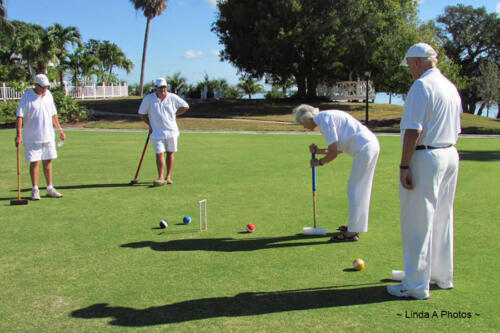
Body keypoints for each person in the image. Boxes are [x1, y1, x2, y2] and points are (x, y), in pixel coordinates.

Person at [387, 43, 461, 300]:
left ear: (417, 62)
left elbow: (413, 130)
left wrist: (404, 165)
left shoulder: (421, 86)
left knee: (417, 221)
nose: (409, 71)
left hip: (426, 156)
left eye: (409, 65)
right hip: (450, 153)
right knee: (442, 217)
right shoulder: (450, 87)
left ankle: (416, 284)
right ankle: (439, 275)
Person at [293, 104, 380, 242]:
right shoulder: (324, 119)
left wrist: (319, 162)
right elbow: (338, 149)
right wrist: (319, 151)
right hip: (369, 145)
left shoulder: (325, 120)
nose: (303, 127)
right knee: (359, 188)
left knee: (355, 189)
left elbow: (333, 153)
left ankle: (352, 232)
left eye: (302, 123)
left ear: (308, 118)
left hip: (365, 148)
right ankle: (354, 226)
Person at [15, 74, 66, 200]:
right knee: (35, 162)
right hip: (32, 137)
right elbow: (19, 116)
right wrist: (18, 134)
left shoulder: (48, 95)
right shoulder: (26, 96)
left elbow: (53, 114)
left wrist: (60, 130)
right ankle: (35, 189)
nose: (45, 89)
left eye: (47, 86)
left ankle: (49, 188)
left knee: (48, 161)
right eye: (43, 87)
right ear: (36, 85)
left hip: (48, 135)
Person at [138, 78, 189, 186]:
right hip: (156, 131)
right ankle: (161, 177)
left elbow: (186, 106)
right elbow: (142, 114)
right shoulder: (149, 99)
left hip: (172, 130)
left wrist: (175, 114)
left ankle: (168, 176)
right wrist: (150, 125)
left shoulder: (172, 97)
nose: (163, 89)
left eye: (164, 87)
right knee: (159, 153)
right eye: (160, 87)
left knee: (170, 153)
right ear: (156, 88)